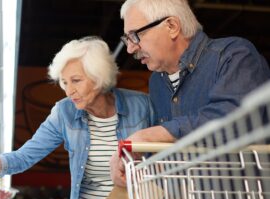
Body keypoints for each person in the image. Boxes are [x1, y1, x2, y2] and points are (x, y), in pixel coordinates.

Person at [0, 36, 154, 199]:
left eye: (76, 81)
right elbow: (24, 157)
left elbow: (169, 155)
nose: (69, 91)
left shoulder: (142, 106)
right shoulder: (64, 113)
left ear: (98, 77)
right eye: (64, 83)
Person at [110, 0, 270, 187]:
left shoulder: (233, 56)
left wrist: (156, 134)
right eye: (127, 39)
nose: (130, 48)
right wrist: (139, 162)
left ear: (172, 26)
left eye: (135, 35)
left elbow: (235, 119)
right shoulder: (157, 82)